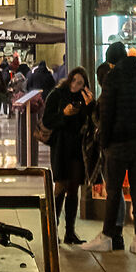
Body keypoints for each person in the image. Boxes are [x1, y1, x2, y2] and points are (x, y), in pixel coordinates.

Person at [89, 40, 136, 256]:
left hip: (116, 142)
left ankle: (107, 236)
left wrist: (104, 142)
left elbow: (106, 115)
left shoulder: (113, 79)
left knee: (114, 190)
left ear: (112, 62)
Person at [43, 68, 93, 243]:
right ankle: (52, 230)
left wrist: (90, 105)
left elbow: (91, 122)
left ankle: (70, 232)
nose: (76, 85)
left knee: (74, 189)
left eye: (80, 83)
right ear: (69, 80)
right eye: (74, 81)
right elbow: (47, 120)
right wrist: (63, 114)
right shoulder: (57, 95)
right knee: (60, 186)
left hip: (77, 149)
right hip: (60, 147)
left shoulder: (83, 98)